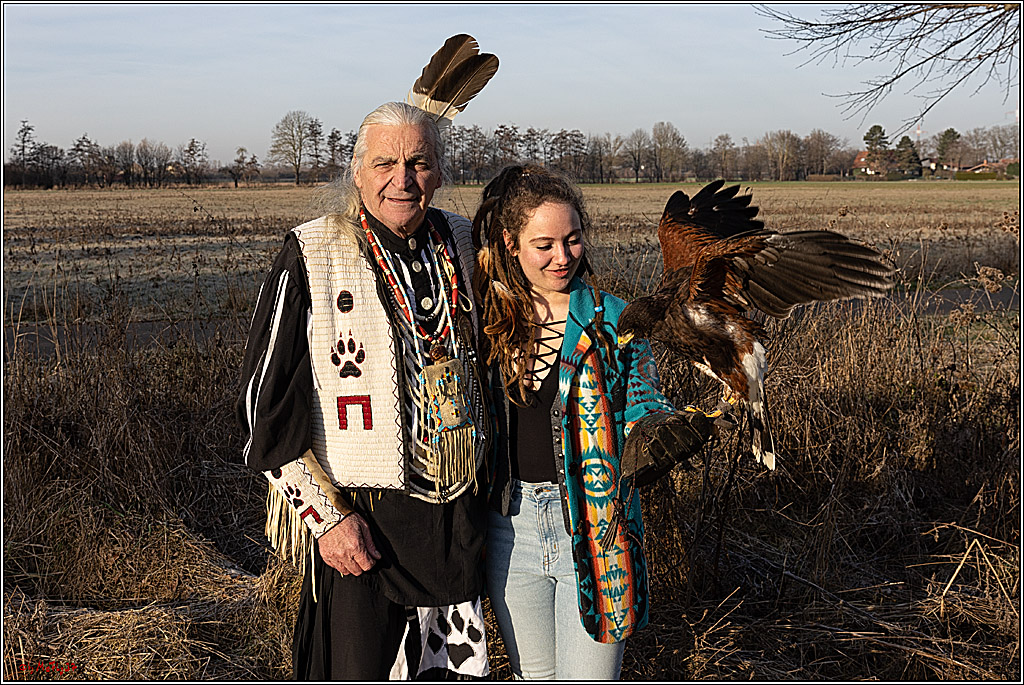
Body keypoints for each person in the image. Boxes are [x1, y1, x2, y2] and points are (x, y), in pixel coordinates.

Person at [236, 101, 491, 680]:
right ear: (356, 170)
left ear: (441, 171)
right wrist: (325, 517)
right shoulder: (312, 252)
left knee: (448, 671)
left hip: (453, 523)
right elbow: (263, 408)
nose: (402, 180)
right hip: (361, 526)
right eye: (385, 163)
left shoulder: (462, 241)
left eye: (419, 163)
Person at [472, 165, 714, 679]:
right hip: (508, 533)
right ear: (510, 245)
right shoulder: (488, 320)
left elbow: (642, 401)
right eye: (545, 245)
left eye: (573, 240)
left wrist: (660, 431)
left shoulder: (613, 320)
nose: (563, 257)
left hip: (598, 527)